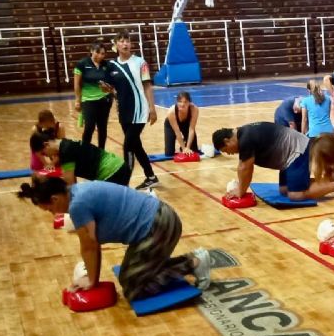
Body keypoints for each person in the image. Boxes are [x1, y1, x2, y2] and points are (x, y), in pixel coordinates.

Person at [17, 178, 212, 301]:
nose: (53, 214)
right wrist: (93, 280)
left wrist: (92, 283)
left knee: (134, 289)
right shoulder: (77, 192)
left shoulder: (78, 205)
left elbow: (89, 247)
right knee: (129, 277)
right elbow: (94, 245)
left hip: (159, 225)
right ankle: (185, 263)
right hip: (157, 223)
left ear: (54, 199)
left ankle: (193, 263)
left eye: (50, 209)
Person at [213, 122, 334, 201]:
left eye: (226, 150)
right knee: (284, 190)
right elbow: (243, 167)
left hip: (298, 152)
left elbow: (245, 168)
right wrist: (241, 188)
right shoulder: (244, 133)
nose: (229, 153)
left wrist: (240, 191)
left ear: (227, 141)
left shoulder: (245, 138)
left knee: (296, 195)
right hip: (287, 158)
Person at [102, 30, 159, 190]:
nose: (125, 43)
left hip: (139, 109)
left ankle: (124, 183)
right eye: (121, 41)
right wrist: (106, 89)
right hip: (123, 110)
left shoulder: (141, 62)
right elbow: (111, 90)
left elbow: (147, 86)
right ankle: (151, 177)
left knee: (127, 145)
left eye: (127, 40)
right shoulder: (112, 66)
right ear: (116, 45)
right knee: (136, 145)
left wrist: (152, 109)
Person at [30, 133, 131, 186]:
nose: (47, 156)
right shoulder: (65, 143)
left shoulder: (65, 152)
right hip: (120, 165)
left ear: (46, 145)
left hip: (110, 173)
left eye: (44, 153)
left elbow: (71, 184)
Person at [73, 42, 113, 150]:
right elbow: (77, 84)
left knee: (102, 128)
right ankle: (85, 152)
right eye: (98, 52)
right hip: (89, 100)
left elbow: (111, 84)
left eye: (103, 54)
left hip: (105, 100)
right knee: (89, 127)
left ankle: (101, 152)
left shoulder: (107, 65)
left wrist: (108, 87)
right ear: (91, 51)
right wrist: (77, 100)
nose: (100, 55)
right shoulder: (82, 64)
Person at [164, 91, 200, 156]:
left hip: (186, 125)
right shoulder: (171, 112)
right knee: (169, 153)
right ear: (177, 102)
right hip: (171, 126)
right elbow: (177, 132)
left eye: (185, 102)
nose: (182, 104)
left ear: (189, 103)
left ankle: (185, 144)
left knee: (194, 149)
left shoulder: (194, 109)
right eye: (180, 102)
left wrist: (188, 148)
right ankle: (183, 146)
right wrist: (184, 149)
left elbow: (191, 129)